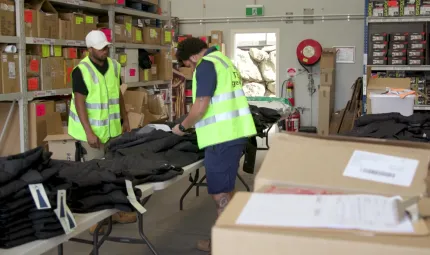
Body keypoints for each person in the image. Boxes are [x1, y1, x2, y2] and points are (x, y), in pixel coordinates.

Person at [172, 38, 257, 254]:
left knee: (220, 194)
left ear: (192, 57)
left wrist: (182, 127)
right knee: (226, 189)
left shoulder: (206, 65)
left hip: (221, 137)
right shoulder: (224, 60)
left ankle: (222, 245)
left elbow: (201, 106)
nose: (191, 68)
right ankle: (231, 239)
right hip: (234, 133)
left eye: (188, 65)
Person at [68, 30, 136, 234]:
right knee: (94, 177)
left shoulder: (115, 66)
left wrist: (125, 118)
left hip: (113, 131)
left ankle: (115, 212)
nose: (105, 51)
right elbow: (80, 103)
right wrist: (89, 133)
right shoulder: (81, 71)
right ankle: (93, 219)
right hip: (93, 135)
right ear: (89, 49)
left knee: (114, 173)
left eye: (106, 47)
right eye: (101, 48)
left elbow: (118, 94)